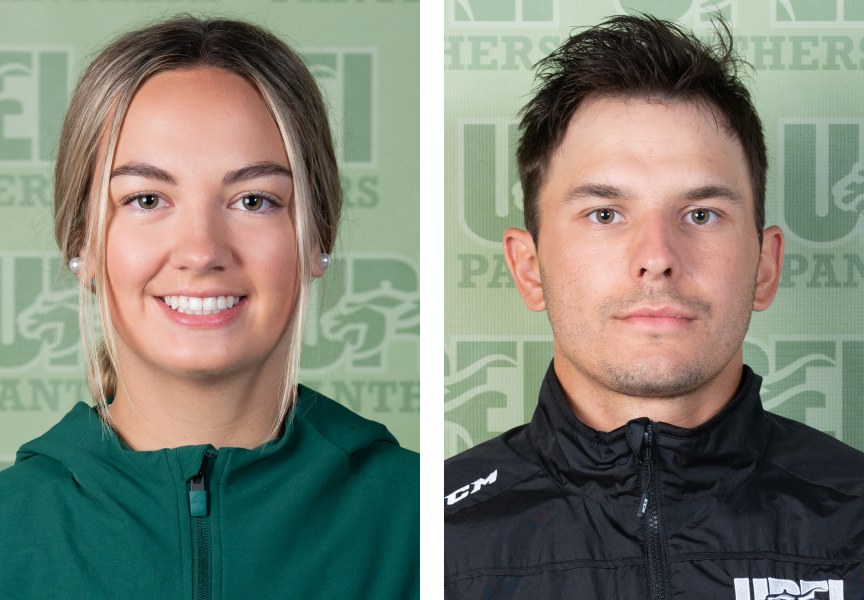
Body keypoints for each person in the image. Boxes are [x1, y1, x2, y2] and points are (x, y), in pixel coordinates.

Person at [444, 14, 864, 599]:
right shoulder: (430, 543)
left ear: (764, 266)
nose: (657, 257)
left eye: (701, 214)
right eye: (605, 214)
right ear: (529, 267)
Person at [0, 16, 418, 599]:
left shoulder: (427, 526)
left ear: (316, 237)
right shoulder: (9, 531)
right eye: (146, 199)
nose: (201, 251)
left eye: (253, 200)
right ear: (83, 245)